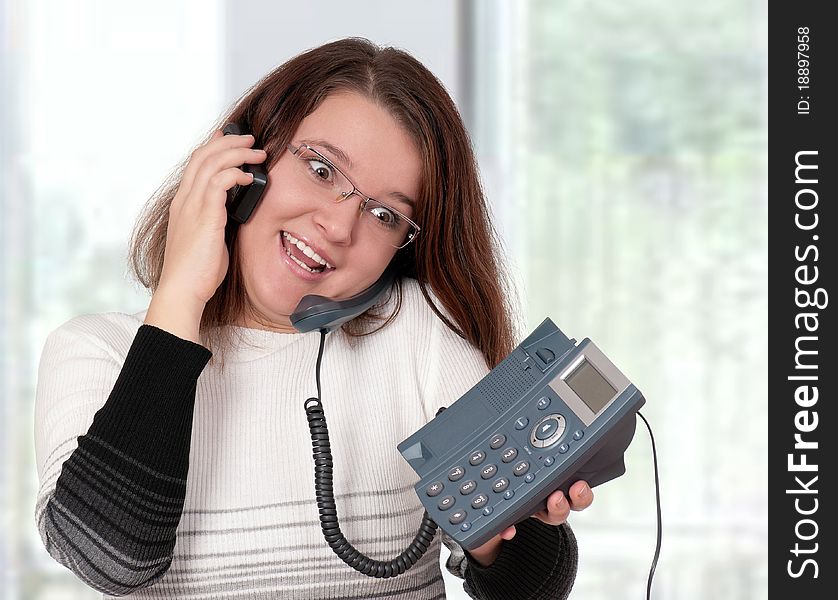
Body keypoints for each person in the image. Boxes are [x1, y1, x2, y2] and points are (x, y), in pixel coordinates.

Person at [34, 37, 593, 599]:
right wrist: (181, 292)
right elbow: (109, 560)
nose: (338, 227)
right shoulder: (96, 351)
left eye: (383, 214)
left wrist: (503, 529)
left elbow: (534, 588)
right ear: (241, 161)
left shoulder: (417, 331)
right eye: (322, 170)